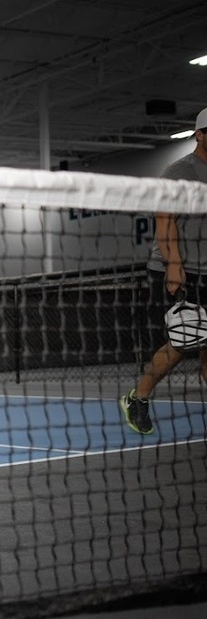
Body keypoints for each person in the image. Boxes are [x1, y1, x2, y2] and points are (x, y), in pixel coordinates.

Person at [121, 107, 207, 435]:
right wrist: (174, 265)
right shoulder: (179, 171)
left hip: (206, 268)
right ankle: (138, 397)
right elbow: (164, 220)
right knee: (183, 342)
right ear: (200, 134)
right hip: (175, 267)